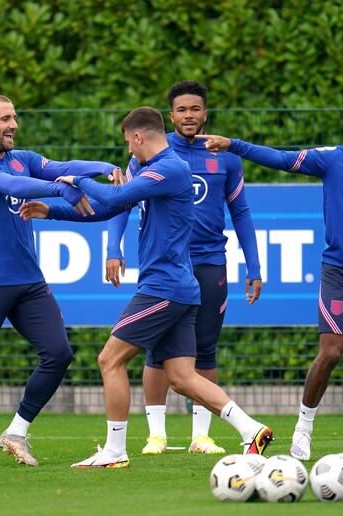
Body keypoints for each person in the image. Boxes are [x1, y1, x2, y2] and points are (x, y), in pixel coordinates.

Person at [19, 107, 273, 468]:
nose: (129, 153)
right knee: (183, 377)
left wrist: (74, 180)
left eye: (128, 143)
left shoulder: (168, 169)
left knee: (109, 360)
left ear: (138, 137)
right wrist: (52, 210)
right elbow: (109, 209)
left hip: (163, 287)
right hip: (179, 288)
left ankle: (114, 450)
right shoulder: (158, 171)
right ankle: (252, 430)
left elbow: (112, 197)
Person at [197, 97, 343, 462]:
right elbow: (282, 159)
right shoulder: (333, 159)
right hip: (339, 274)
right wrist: (232, 144)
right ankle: (304, 427)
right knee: (330, 352)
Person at [0, 94, 121, 467]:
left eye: (15, 117)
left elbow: (61, 166)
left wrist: (103, 166)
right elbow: (15, 187)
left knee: (59, 353)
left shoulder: (24, 158)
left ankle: (16, 432)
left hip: (29, 282)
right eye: (5, 118)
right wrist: (61, 188)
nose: (14, 125)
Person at [105, 81, 261, 455]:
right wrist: (113, 248)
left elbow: (240, 212)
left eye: (196, 109)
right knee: (155, 350)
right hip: (170, 267)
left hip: (208, 264)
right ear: (170, 116)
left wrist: (253, 265)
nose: (189, 115)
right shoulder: (147, 155)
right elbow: (121, 204)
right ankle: (156, 434)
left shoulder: (224, 157)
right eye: (181, 110)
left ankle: (201, 436)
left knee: (203, 350)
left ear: (205, 113)